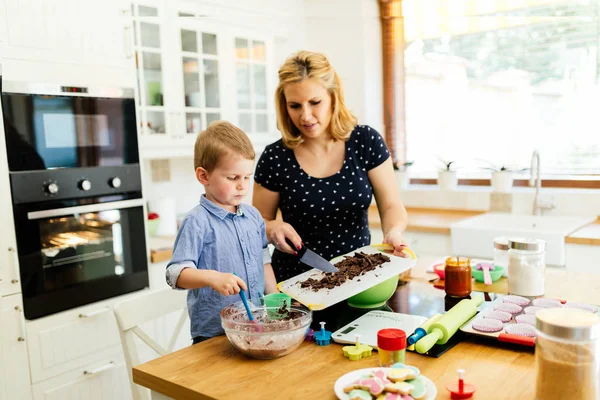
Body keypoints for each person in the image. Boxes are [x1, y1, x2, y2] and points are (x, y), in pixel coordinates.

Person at [253, 50, 409, 283]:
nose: (306, 116)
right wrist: (271, 227)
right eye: (295, 106)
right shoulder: (275, 157)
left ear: (333, 97)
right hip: (296, 285)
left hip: (357, 279)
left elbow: (390, 205)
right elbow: (257, 223)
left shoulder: (365, 141)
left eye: (315, 103)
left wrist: (393, 232)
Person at [166, 121, 278, 344]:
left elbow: (264, 261)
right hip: (213, 335)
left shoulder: (254, 217)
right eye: (233, 178)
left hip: (254, 327)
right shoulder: (197, 222)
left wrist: (275, 301)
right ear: (203, 176)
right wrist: (212, 277)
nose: (242, 186)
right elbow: (175, 274)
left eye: (247, 177)